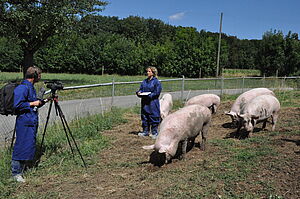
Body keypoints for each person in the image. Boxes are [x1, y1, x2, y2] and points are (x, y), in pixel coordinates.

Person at [11, 66, 43, 182]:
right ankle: (16, 173)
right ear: (34, 76)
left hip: (31, 120)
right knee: (21, 146)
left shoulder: (30, 87)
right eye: (39, 75)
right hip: (24, 121)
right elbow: (17, 105)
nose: (40, 77)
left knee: (28, 145)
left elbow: (32, 104)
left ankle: (23, 168)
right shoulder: (23, 88)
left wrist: (41, 102)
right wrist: (32, 103)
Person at [136, 67, 162, 139]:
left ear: (153, 72)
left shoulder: (156, 82)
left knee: (153, 116)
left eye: (149, 71)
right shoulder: (144, 81)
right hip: (144, 102)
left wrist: (149, 95)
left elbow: (157, 92)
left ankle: (154, 132)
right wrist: (139, 93)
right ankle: (145, 131)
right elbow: (141, 89)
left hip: (152, 102)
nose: (147, 72)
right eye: (147, 71)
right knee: (144, 116)